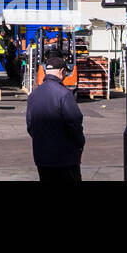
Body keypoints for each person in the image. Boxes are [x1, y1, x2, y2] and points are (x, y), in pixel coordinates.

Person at [25, 49, 86, 183]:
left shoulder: (33, 95)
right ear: (62, 71)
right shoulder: (64, 94)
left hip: (42, 156)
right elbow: (75, 123)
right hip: (65, 158)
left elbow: (30, 126)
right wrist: (79, 142)